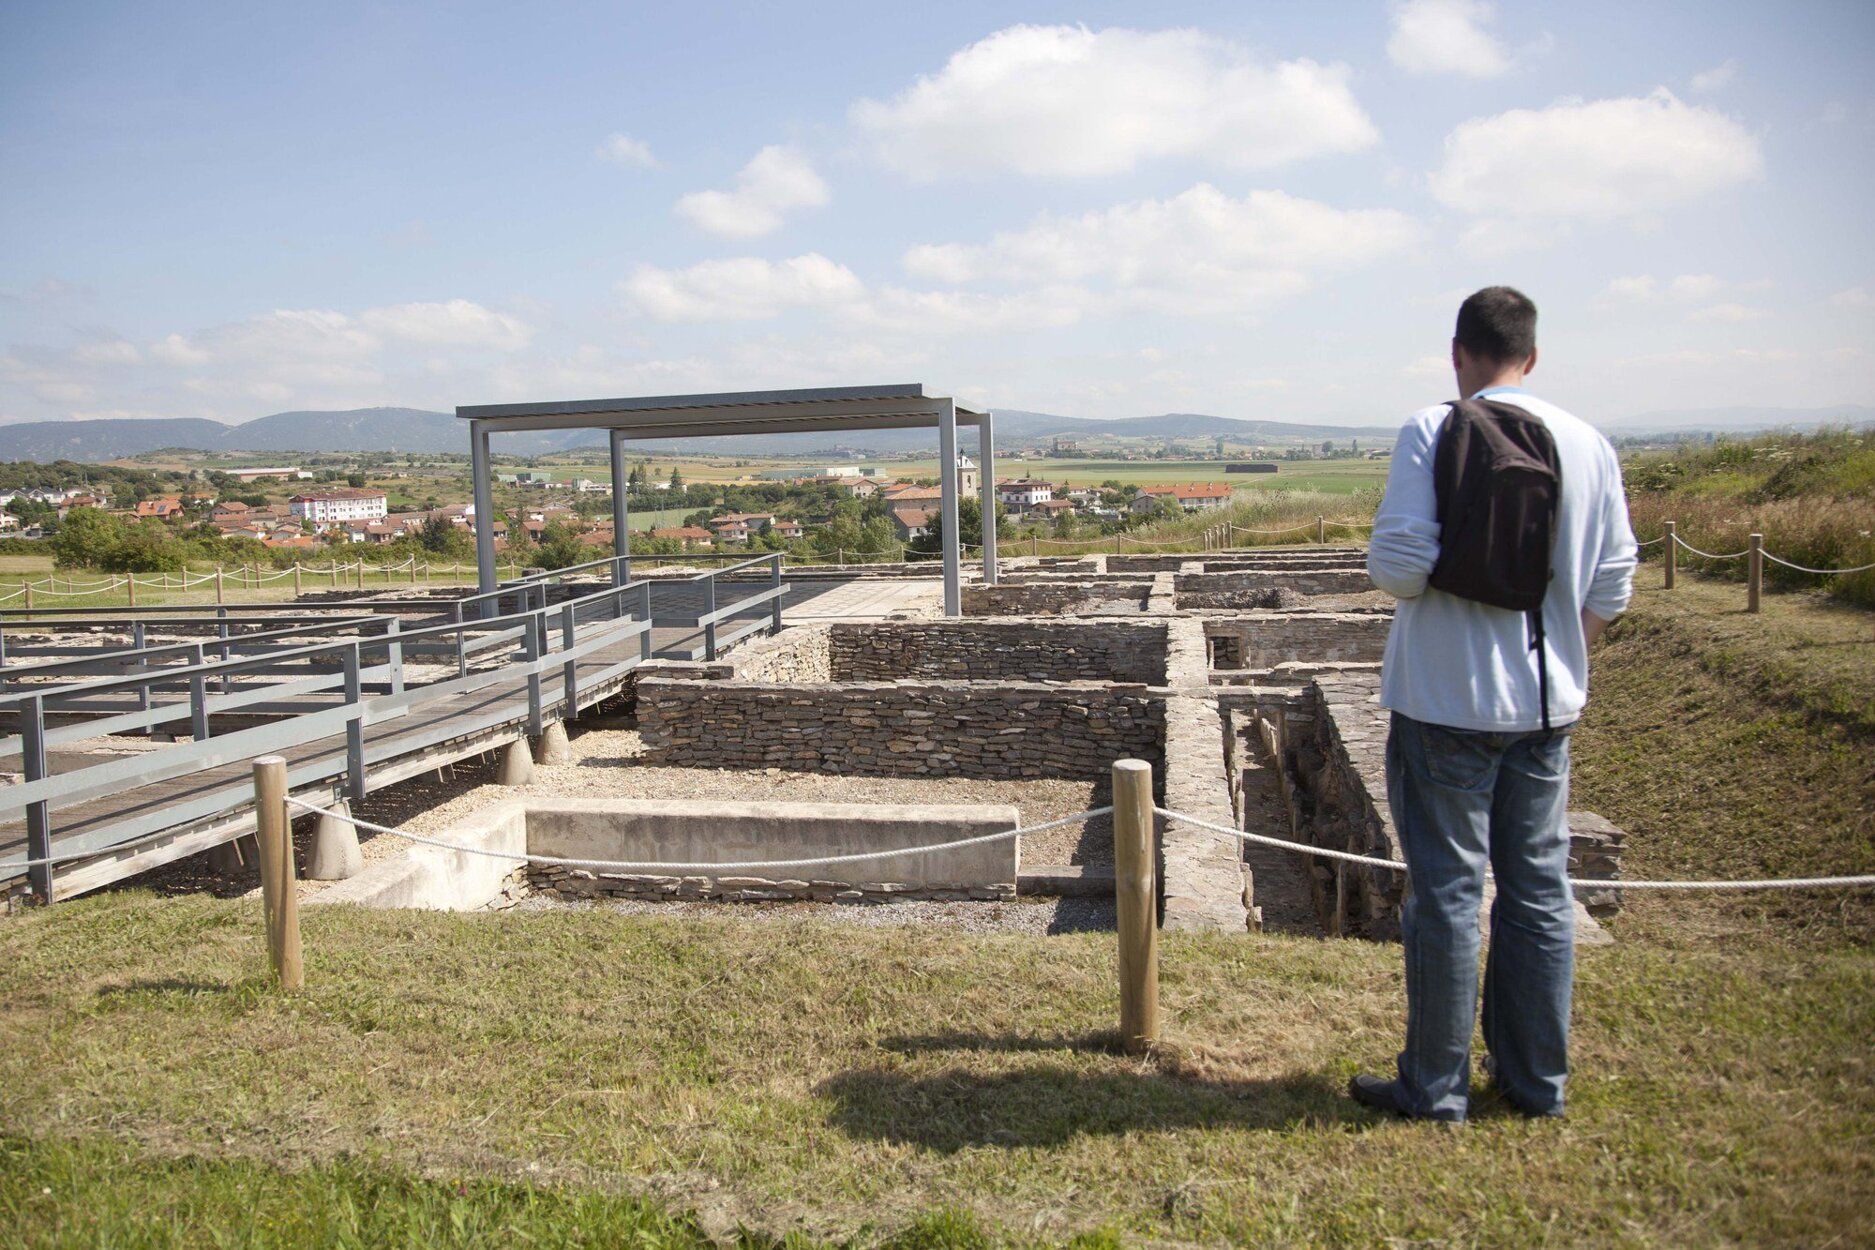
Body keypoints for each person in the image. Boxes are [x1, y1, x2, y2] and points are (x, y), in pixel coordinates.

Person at [1355, 286, 1637, 1123]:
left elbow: (1399, 567)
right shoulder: (1589, 444)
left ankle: (1434, 1088)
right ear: (1532, 355)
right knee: (1540, 891)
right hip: (1547, 707)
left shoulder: (1433, 429)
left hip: (1443, 698)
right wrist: (1560, 638)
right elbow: (1613, 581)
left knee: (1445, 893)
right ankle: (1535, 1082)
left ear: (1457, 352)